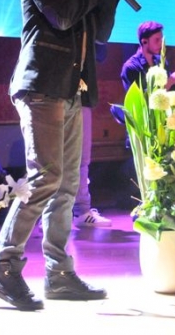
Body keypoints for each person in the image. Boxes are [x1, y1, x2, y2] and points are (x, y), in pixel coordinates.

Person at [0, 0, 122, 311]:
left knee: (66, 186)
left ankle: (59, 273)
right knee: (44, 178)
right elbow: (61, 17)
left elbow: (100, 34)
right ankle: (4, 267)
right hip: (42, 85)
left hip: (72, 89)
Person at [74, 42, 112, 228]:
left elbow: (100, 53)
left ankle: (81, 211)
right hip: (54, 93)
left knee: (82, 159)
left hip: (81, 94)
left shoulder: (89, 29)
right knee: (55, 160)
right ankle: (51, 214)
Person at [120, 21, 175, 94]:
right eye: (157, 40)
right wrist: (170, 81)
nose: (161, 44)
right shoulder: (130, 67)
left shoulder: (161, 61)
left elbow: (170, 92)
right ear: (144, 42)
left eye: (161, 40)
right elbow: (139, 98)